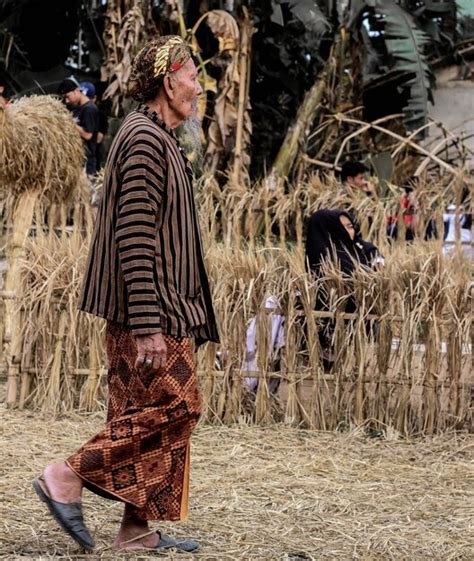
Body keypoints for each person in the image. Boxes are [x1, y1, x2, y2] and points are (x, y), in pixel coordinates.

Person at [34, 36, 219, 553]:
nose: (198, 88)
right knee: (176, 407)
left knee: (139, 412)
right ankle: (65, 477)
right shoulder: (142, 139)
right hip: (153, 310)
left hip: (168, 307)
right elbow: (134, 237)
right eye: (192, 78)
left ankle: (136, 529)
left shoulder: (158, 138)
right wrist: (148, 324)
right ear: (168, 82)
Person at [305, 209, 382, 368]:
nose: (350, 231)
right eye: (344, 227)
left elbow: (379, 277)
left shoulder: (366, 250)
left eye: (350, 226)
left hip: (358, 318)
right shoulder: (320, 254)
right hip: (326, 317)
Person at [58, 77, 99, 176]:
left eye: (68, 96)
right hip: (77, 161)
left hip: (86, 162)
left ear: (76, 91)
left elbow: (88, 135)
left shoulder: (89, 109)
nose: (67, 101)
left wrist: (68, 122)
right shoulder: (75, 108)